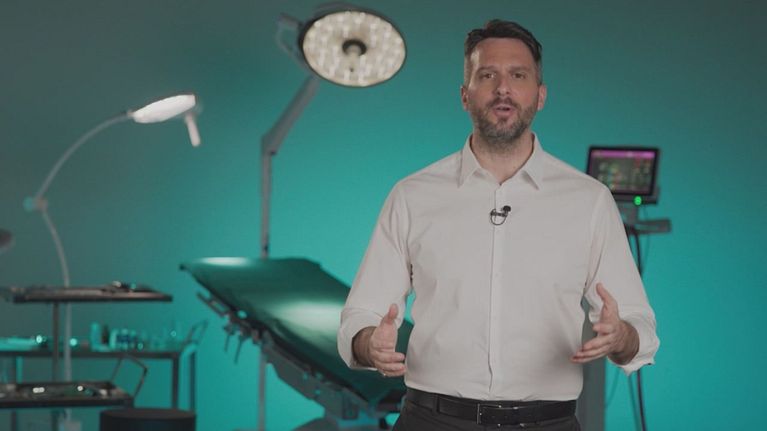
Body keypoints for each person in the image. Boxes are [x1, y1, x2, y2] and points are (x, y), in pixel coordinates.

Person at [338, 19, 659, 430]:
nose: (503, 89)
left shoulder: (589, 201)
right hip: (431, 420)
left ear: (540, 95)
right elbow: (360, 315)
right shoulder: (412, 196)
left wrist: (621, 337)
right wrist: (370, 344)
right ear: (465, 95)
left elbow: (639, 326)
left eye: (518, 75)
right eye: (487, 75)